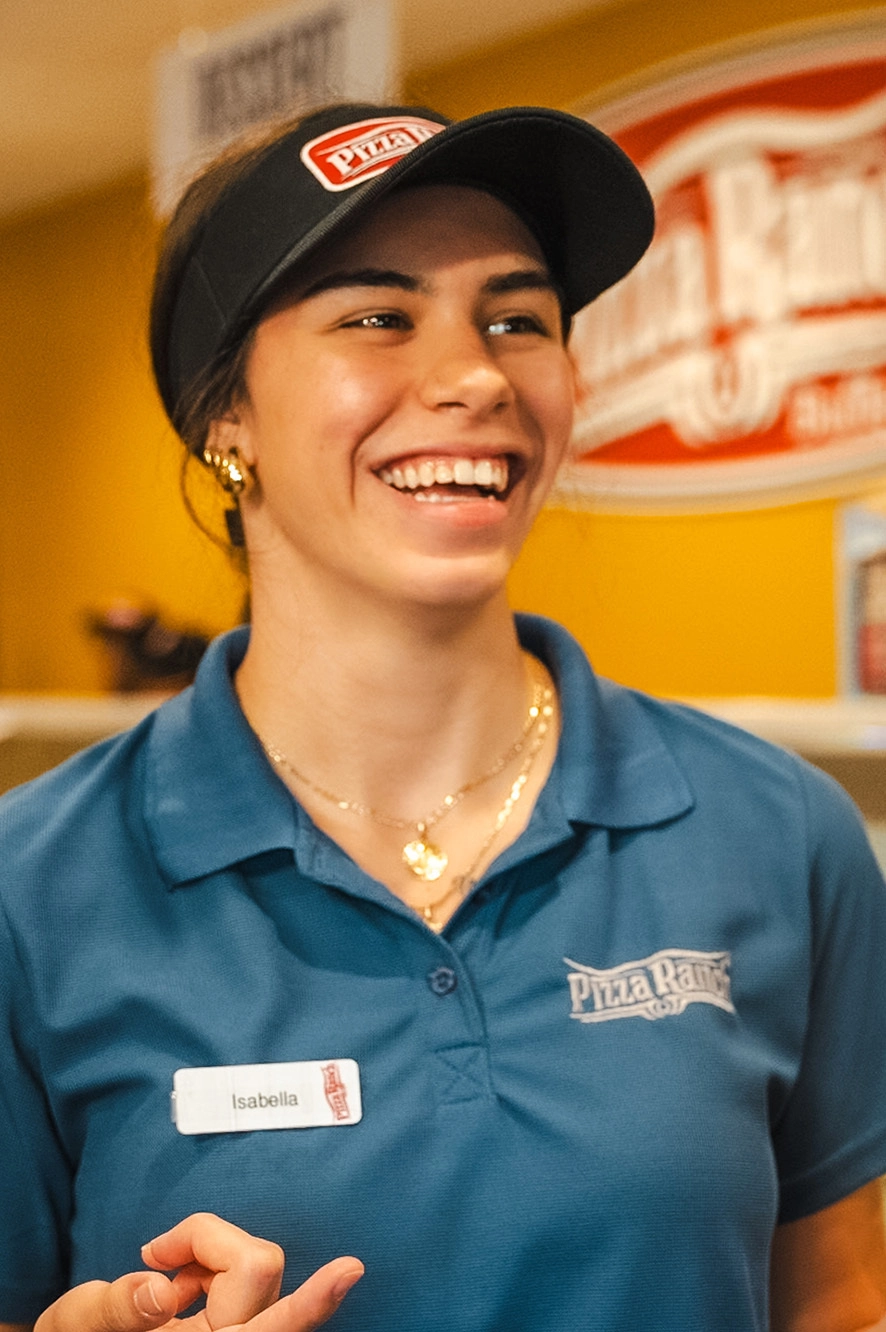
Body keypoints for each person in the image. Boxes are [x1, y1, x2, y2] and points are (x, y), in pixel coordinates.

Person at [1, 100, 886, 1332]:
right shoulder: (30, 892)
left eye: (518, 320)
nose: (475, 375)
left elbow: (836, 1300)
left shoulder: (779, 833)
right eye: (377, 316)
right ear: (226, 417)